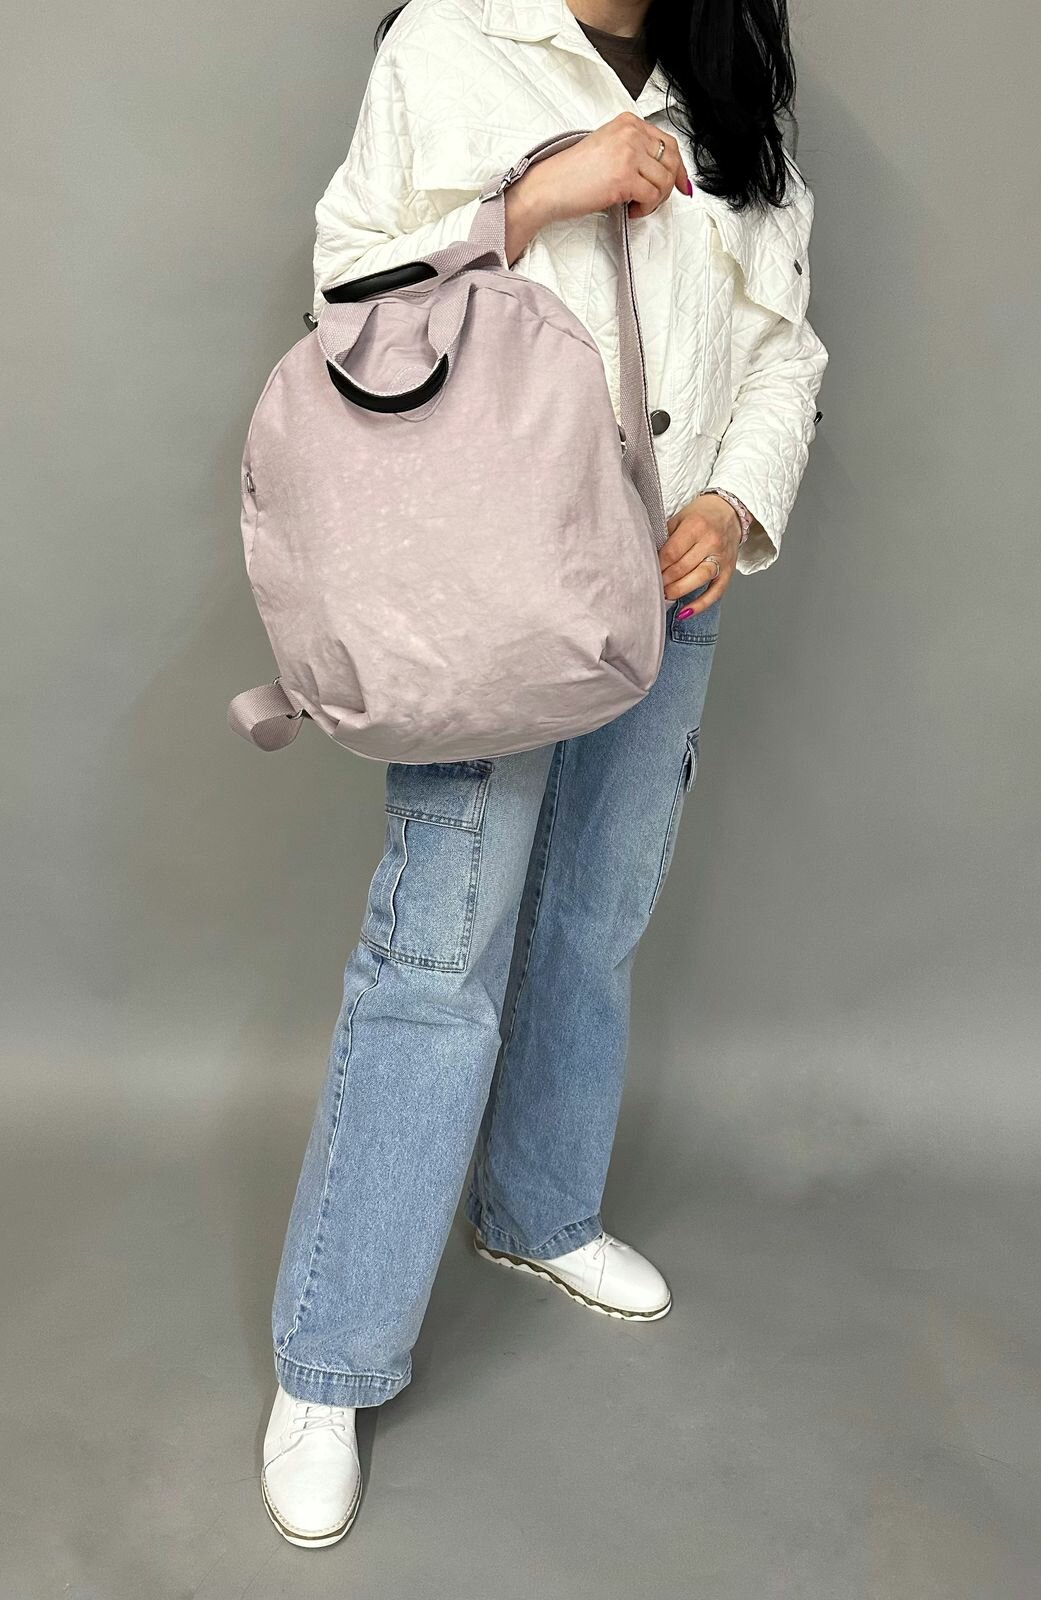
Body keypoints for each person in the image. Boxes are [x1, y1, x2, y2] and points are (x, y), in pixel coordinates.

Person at [260, 0, 828, 1548]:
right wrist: (529, 200)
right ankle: (326, 1360)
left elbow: (782, 345)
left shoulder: (729, 94)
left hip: (667, 587)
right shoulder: (450, 46)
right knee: (435, 952)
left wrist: (732, 499)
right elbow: (344, 290)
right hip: (493, 583)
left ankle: (539, 1210)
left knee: (592, 919)